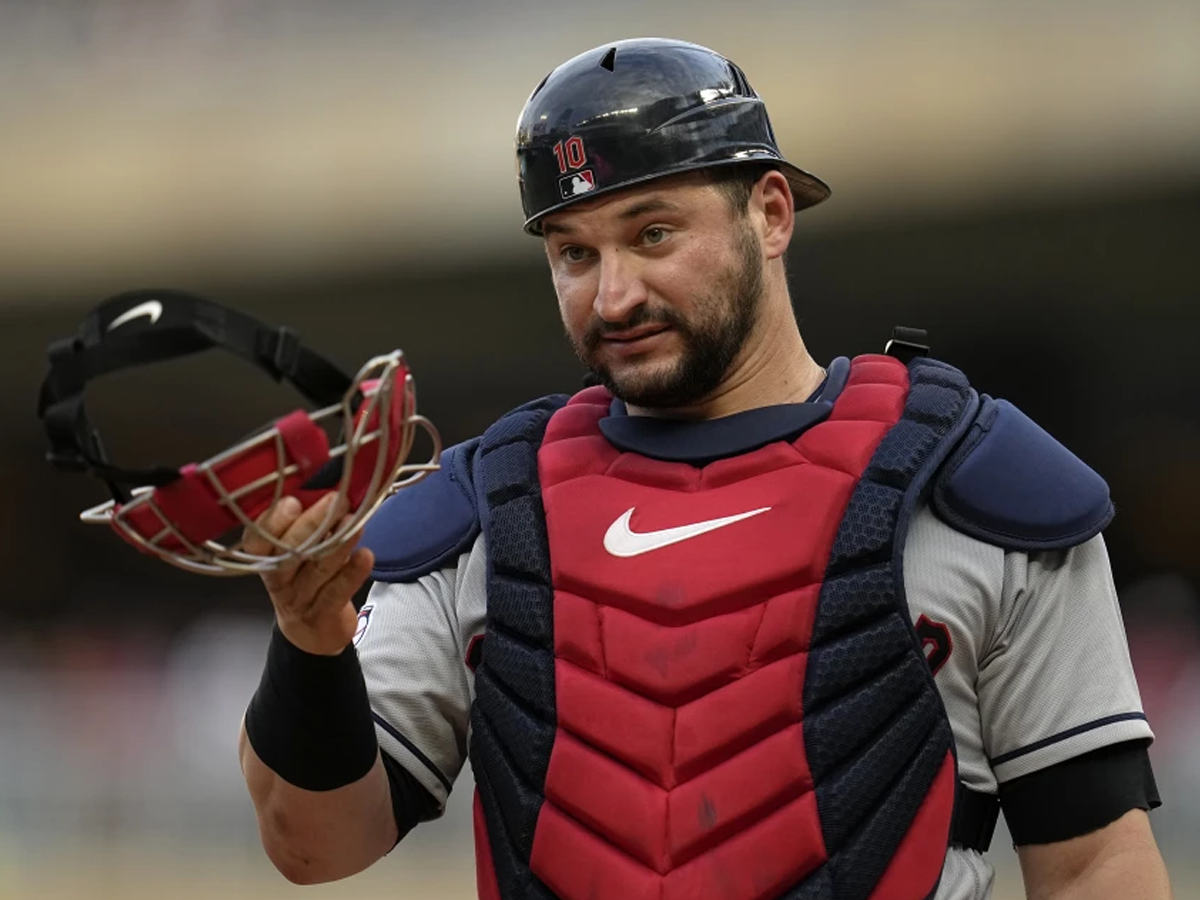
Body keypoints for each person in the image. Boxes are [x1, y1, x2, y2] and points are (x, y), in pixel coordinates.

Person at [237, 38, 1173, 900]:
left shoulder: (971, 483)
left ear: (770, 213)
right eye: (574, 253)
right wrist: (310, 644)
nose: (613, 295)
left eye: (653, 234)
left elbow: (1095, 861)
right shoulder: (484, 507)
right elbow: (315, 845)